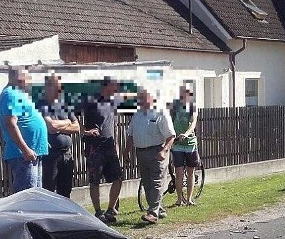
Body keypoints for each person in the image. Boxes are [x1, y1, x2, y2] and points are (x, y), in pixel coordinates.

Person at [79, 77, 134, 223]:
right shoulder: (91, 101)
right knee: (95, 180)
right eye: (114, 86)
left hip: (109, 146)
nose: (116, 89)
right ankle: (98, 212)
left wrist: (116, 145)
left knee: (118, 177)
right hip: (94, 147)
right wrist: (85, 131)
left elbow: (113, 126)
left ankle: (110, 209)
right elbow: (76, 118)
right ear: (106, 86)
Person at [127, 89, 175, 224]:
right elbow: (130, 134)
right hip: (141, 152)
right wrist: (127, 150)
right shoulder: (137, 114)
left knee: (156, 181)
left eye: (143, 97)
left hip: (157, 152)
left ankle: (152, 213)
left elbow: (171, 136)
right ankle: (159, 209)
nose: (140, 100)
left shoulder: (161, 113)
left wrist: (164, 150)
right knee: (147, 182)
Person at [0, 67, 47, 193]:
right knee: (27, 194)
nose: (30, 81)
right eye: (27, 77)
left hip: (34, 151)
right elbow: (11, 124)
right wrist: (25, 149)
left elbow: (27, 120)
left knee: (36, 193)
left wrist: (41, 138)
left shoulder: (20, 94)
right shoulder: (10, 94)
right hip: (23, 155)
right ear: (18, 78)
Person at [38, 74, 79, 198]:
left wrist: (61, 125)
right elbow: (51, 127)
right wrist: (67, 123)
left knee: (66, 189)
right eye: (56, 87)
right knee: (49, 188)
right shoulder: (41, 105)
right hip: (51, 154)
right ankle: (50, 215)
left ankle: (64, 216)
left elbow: (77, 127)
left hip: (66, 154)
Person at [169, 85, 201, 206]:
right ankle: (179, 199)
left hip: (190, 144)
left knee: (190, 172)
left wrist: (186, 134)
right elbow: (170, 121)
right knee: (179, 173)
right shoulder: (175, 107)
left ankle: (189, 199)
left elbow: (193, 123)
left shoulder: (192, 106)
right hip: (177, 144)